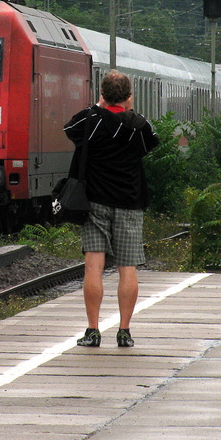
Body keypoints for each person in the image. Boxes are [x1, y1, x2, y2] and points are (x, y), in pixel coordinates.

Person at [63, 70, 159, 348]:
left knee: (94, 267)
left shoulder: (90, 120)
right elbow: (150, 144)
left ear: (102, 95)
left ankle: (93, 331)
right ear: (129, 97)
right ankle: (124, 331)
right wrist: (126, 110)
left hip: (94, 203)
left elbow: (70, 129)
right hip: (129, 203)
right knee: (127, 267)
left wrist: (99, 106)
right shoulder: (139, 126)